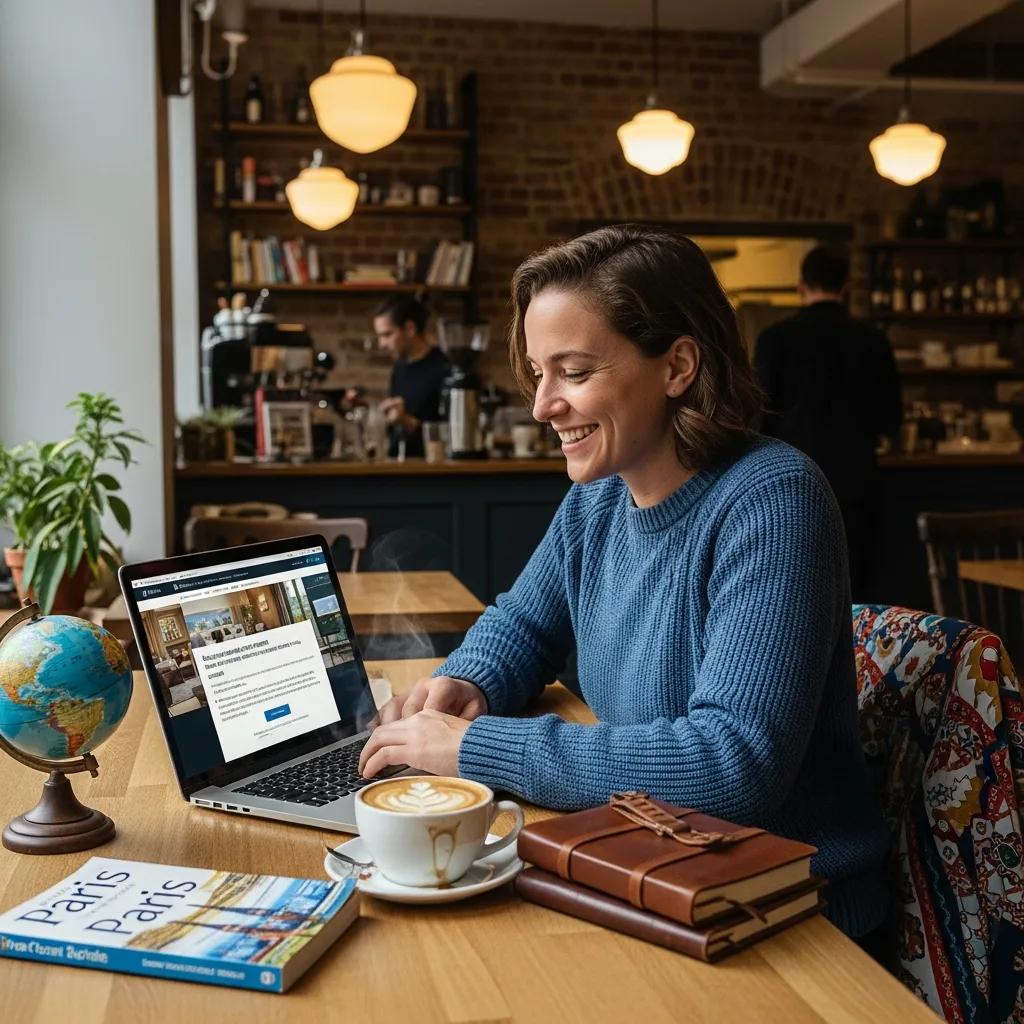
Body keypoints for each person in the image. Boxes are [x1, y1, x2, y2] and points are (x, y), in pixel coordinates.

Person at [359, 224, 889, 943]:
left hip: (784, 917)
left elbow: (732, 765)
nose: (544, 405)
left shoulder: (773, 500)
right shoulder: (599, 497)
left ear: (677, 366)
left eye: (573, 373)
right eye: (538, 374)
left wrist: (470, 749)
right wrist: (470, 683)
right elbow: (523, 623)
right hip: (650, 867)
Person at [753, 245, 902, 599]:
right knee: (855, 588)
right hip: (857, 479)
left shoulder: (776, 339)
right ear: (847, 286)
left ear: (800, 285)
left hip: (790, 477)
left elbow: (758, 413)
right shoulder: (873, 340)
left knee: (793, 582)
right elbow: (890, 418)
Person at [372, 294, 450, 458]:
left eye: (387, 335)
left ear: (409, 329)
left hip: (432, 473)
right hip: (399, 466)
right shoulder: (399, 368)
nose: (381, 344)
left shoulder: (445, 369)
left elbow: (452, 436)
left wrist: (407, 422)